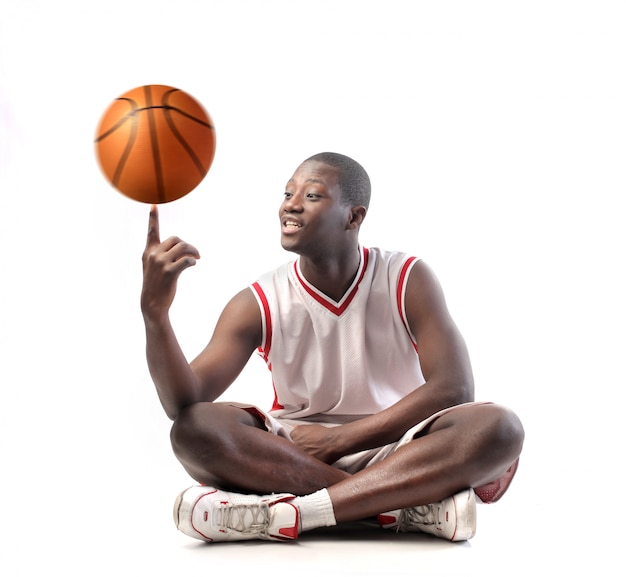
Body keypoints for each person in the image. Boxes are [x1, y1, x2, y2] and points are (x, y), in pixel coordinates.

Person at [141, 152, 525, 543]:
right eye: (288, 192)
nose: (290, 204)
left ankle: (294, 514)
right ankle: (402, 508)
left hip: (398, 448)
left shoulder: (406, 278)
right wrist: (155, 316)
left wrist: (341, 439)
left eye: (312, 196)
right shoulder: (258, 300)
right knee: (195, 429)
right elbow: (183, 404)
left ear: (353, 217)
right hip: (295, 454)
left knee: (500, 428)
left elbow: (454, 388)